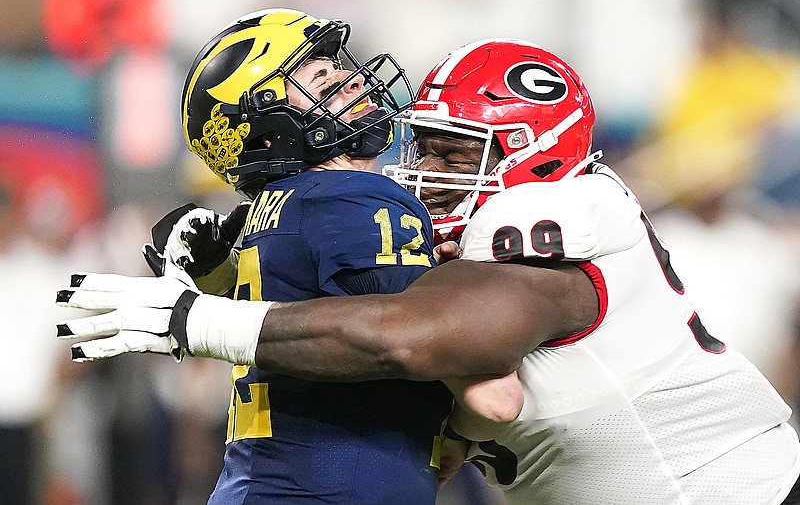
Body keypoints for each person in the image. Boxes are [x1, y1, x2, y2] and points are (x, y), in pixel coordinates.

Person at [57, 38, 800, 503]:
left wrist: (198, 320)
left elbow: (410, 338)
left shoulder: (553, 216)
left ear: (528, 151)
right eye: (425, 147)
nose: (422, 173)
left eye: (453, 153)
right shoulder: (471, 245)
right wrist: (227, 253)